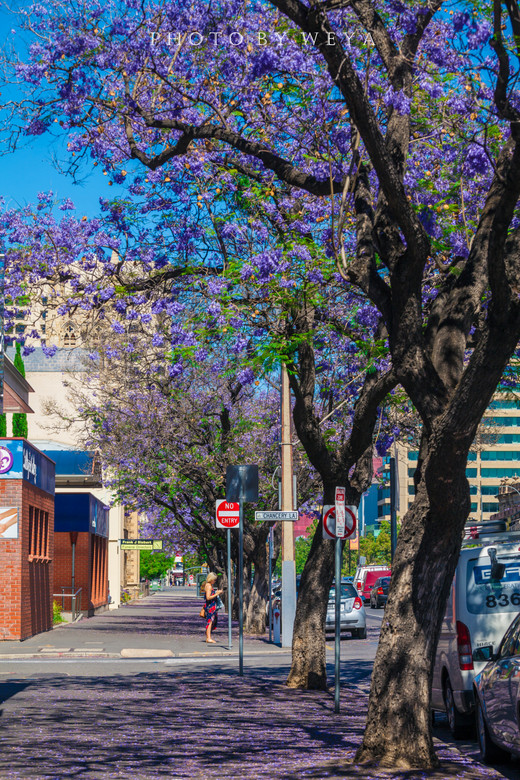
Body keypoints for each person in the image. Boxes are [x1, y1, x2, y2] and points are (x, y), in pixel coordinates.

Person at [203, 572, 223, 644]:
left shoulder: (209, 585)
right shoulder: (208, 586)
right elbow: (208, 597)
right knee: (210, 621)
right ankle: (208, 638)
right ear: (211, 579)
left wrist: (216, 593)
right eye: (214, 580)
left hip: (212, 606)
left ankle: (209, 637)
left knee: (211, 621)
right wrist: (217, 594)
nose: (214, 581)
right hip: (210, 606)